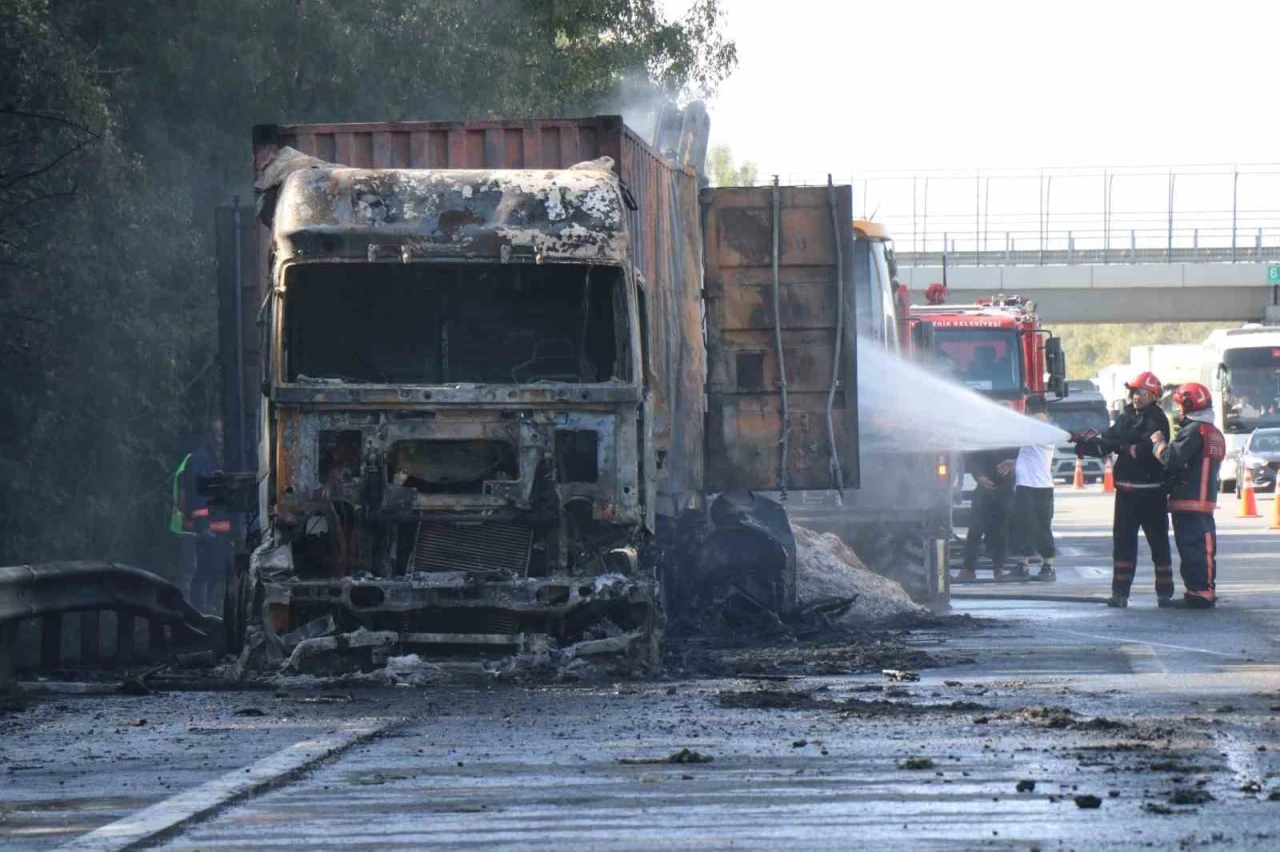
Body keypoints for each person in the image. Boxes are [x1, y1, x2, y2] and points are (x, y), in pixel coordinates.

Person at [1073, 371, 1172, 608]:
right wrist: (1084, 444)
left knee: (1159, 544)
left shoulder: (1157, 419)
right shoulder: (1126, 417)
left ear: (1154, 396)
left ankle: (1165, 594)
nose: (1136, 397)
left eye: (1142, 393)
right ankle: (1120, 593)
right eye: (1134, 392)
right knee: (1123, 545)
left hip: (1152, 493)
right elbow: (1108, 441)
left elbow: (1144, 449)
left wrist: (1118, 446)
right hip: (1126, 493)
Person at [1152, 382, 1224, 609]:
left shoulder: (1194, 431)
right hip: (1203, 501)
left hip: (1189, 500)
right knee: (1199, 548)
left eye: (1180, 406)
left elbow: (1172, 458)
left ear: (1190, 406)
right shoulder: (1213, 432)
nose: (1178, 412)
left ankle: (1201, 594)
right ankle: (1198, 591)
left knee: (1194, 549)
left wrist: (1158, 444)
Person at [172, 419, 232, 613]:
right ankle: (196, 612)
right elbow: (197, 497)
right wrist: (203, 526)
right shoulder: (199, 460)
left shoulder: (219, 459)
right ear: (209, 436)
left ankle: (207, 610)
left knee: (213, 571)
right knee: (200, 574)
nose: (222, 439)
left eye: (224, 435)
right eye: (218, 434)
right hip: (203, 530)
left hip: (218, 529)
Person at [1000, 395, 1056, 582]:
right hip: (1031, 485)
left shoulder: (1040, 425)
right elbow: (1033, 455)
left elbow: (1037, 420)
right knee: (1025, 527)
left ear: (1030, 409)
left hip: (1035, 486)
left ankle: (1048, 566)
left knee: (1040, 527)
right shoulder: (1037, 429)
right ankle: (1023, 565)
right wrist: (1015, 462)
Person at [956, 445, 1015, 581]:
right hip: (983, 491)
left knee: (1001, 531)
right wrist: (979, 477)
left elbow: (1023, 459)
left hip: (1004, 489)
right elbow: (972, 459)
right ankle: (968, 569)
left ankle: (998, 568)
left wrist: (1014, 465)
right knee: (975, 530)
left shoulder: (1012, 438)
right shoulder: (983, 439)